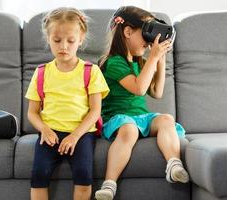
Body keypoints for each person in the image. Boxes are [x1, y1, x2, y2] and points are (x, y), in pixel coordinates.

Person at [95, 6, 189, 200]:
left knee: (166, 119)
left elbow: (157, 92)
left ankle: (174, 164)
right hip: (118, 119)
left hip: (141, 118)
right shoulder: (113, 62)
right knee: (129, 129)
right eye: (145, 35)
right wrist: (153, 56)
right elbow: (138, 88)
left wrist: (160, 59)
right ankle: (109, 184)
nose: (148, 43)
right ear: (127, 32)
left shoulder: (141, 62)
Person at [25, 7, 109, 200]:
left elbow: (95, 110)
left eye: (70, 41)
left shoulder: (91, 71)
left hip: (81, 134)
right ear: (48, 39)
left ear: (80, 39)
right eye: (57, 40)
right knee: (39, 174)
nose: (64, 46)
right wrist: (44, 130)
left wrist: (74, 136)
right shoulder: (41, 72)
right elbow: (32, 113)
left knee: (83, 175)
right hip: (50, 133)